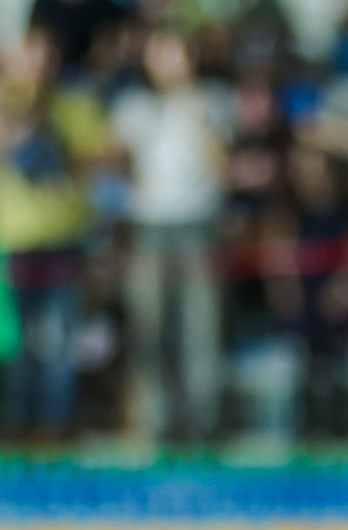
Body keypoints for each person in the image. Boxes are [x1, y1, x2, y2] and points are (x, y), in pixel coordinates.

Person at [0, 25, 109, 439]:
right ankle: (14, 424)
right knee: (13, 342)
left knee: (59, 341)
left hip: (64, 240)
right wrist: (12, 126)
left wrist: (50, 134)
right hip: (11, 242)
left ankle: (52, 428)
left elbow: (103, 158)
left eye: (48, 57)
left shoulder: (74, 104)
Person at [111, 27, 230, 444]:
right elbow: (118, 164)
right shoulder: (135, 107)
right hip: (149, 227)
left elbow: (220, 163)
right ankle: (153, 426)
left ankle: (202, 426)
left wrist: (195, 116)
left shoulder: (213, 101)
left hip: (197, 225)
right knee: (149, 330)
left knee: (200, 328)